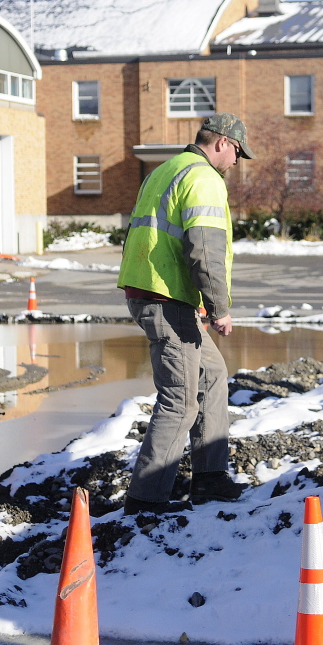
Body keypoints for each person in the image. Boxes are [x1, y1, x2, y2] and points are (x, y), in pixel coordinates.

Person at [117, 113, 256, 515]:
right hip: (168, 299)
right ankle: (146, 500)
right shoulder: (204, 178)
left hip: (154, 293)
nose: (236, 163)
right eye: (237, 153)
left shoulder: (166, 170)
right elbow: (205, 250)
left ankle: (210, 480)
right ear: (221, 144)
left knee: (211, 376)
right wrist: (219, 309)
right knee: (179, 400)